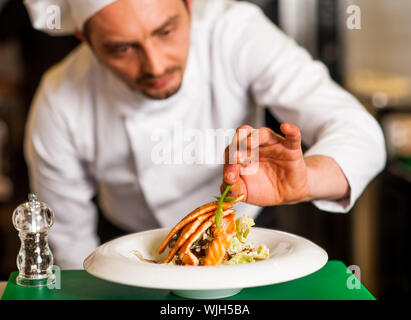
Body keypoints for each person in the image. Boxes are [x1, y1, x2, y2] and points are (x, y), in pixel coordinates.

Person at [23, 0, 386, 269]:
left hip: (244, 235)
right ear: (83, 37)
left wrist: (307, 179)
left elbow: (359, 130)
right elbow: (68, 245)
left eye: (165, 31)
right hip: (130, 249)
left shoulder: (235, 31)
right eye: (123, 48)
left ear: (190, 5)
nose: (156, 64)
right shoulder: (59, 99)